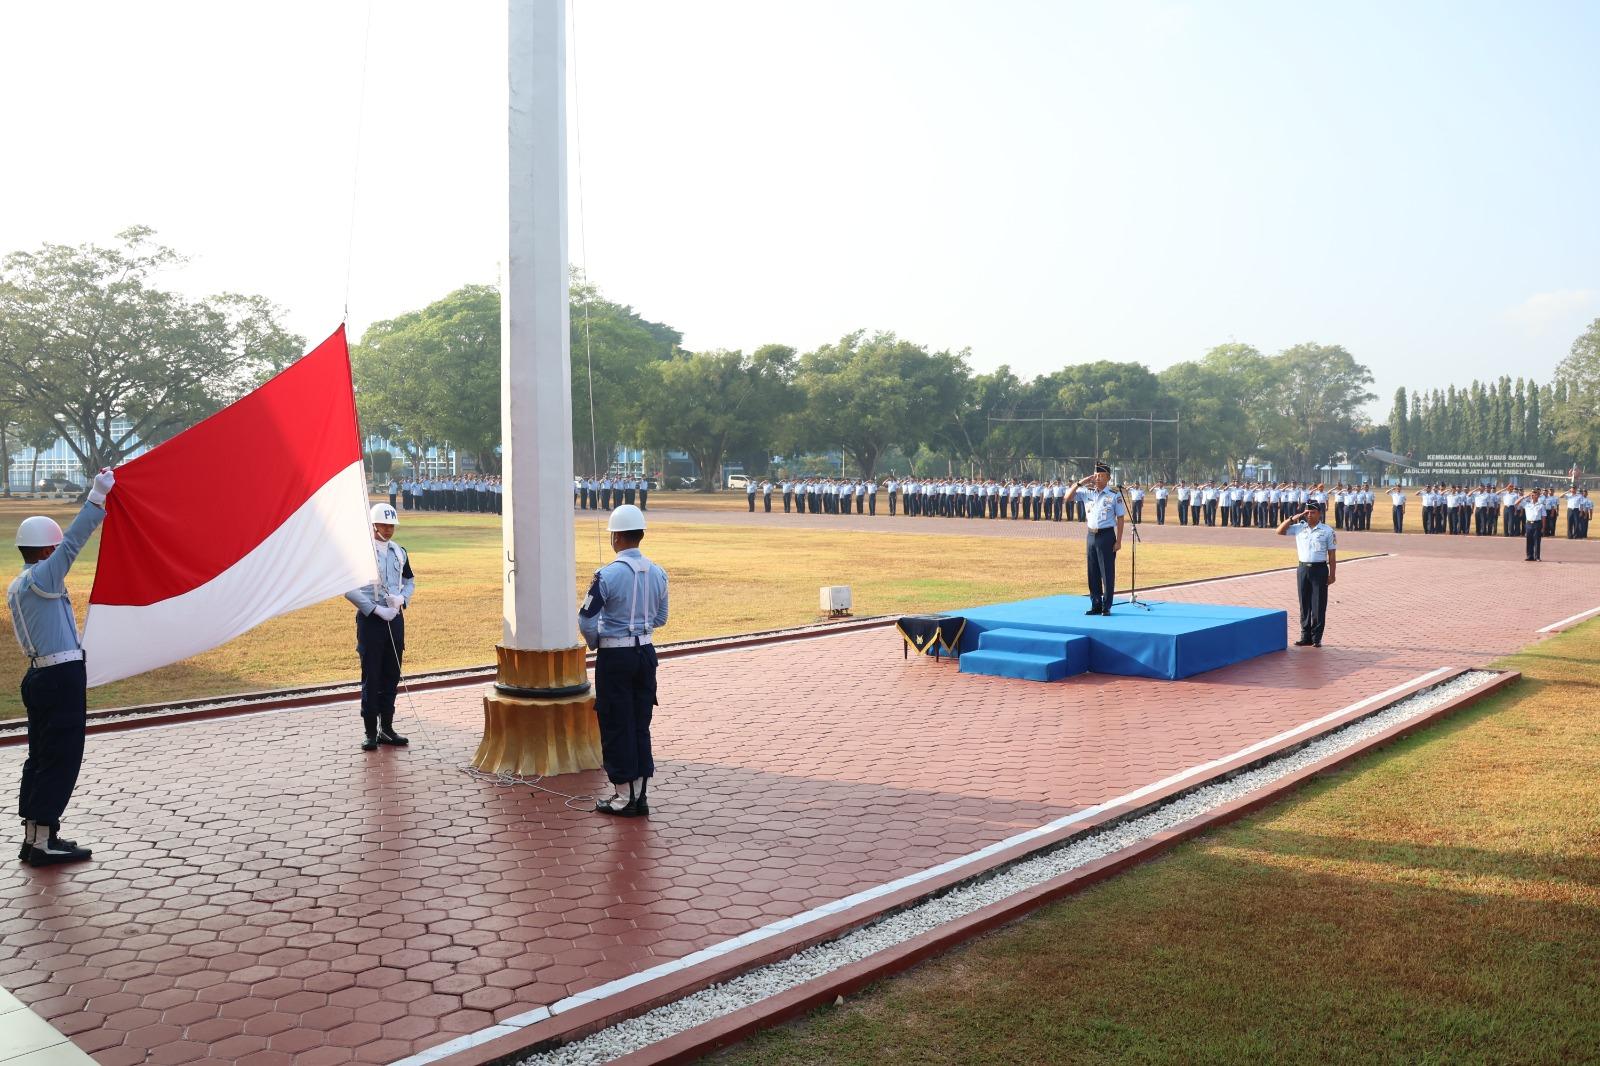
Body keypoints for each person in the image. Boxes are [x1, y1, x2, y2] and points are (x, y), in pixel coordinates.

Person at [8, 468, 116, 866]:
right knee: (61, 758)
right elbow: (73, 542)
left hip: (38, 676)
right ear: (46, 551)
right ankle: (42, 844)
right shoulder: (45, 575)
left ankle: (37, 836)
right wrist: (96, 497)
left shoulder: (18, 583)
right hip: (59, 676)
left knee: (41, 757)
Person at [578, 505, 669, 817]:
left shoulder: (607, 575)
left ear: (616, 537)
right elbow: (661, 617)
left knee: (617, 722)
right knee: (640, 723)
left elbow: (586, 619)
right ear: (640, 535)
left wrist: (597, 643)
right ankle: (640, 793)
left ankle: (622, 796)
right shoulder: (659, 573)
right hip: (646, 653)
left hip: (616, 655)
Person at [344, 503, 415, 751]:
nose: (388, 529)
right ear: (373, 525)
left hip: (394, 619)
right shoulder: (360, 553)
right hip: (372, 620)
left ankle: (387, 727)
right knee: (371, 676)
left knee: (391, 674)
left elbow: (409, 580)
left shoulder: (399, 551)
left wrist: (402, 599)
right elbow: (349, 589)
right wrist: (374, 609)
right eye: (384, 525)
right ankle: (370, 732)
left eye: (391, 525)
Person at [1277, 499, 1336, 648]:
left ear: (1319, 514)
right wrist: (1293, 518)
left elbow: (1332, 555)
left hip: (1320, 570)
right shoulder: (1299, 528)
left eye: (1313, 512)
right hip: (1303, 569)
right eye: (1307, 512)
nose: (1309, 515)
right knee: (1304, 604)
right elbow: (1279, 531)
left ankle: (1316, 638)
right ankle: (1305, 636)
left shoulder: (1327, 531)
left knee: (1318, 604)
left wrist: (1332, 574)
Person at [1079, 462, 1126, 616]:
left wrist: (1118, 541)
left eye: (1101, 476)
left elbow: (1120, 518)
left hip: (1106, 536)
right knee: (1092, 572)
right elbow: (1067, 497)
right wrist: (1082, 481)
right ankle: (1095, 604)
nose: (1097, 478)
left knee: (1107, 572)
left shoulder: (1114, 495)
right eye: (1096, 475)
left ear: (1108, 478)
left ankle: (1106, 605)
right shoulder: (1088, 493)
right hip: (1091, 535)